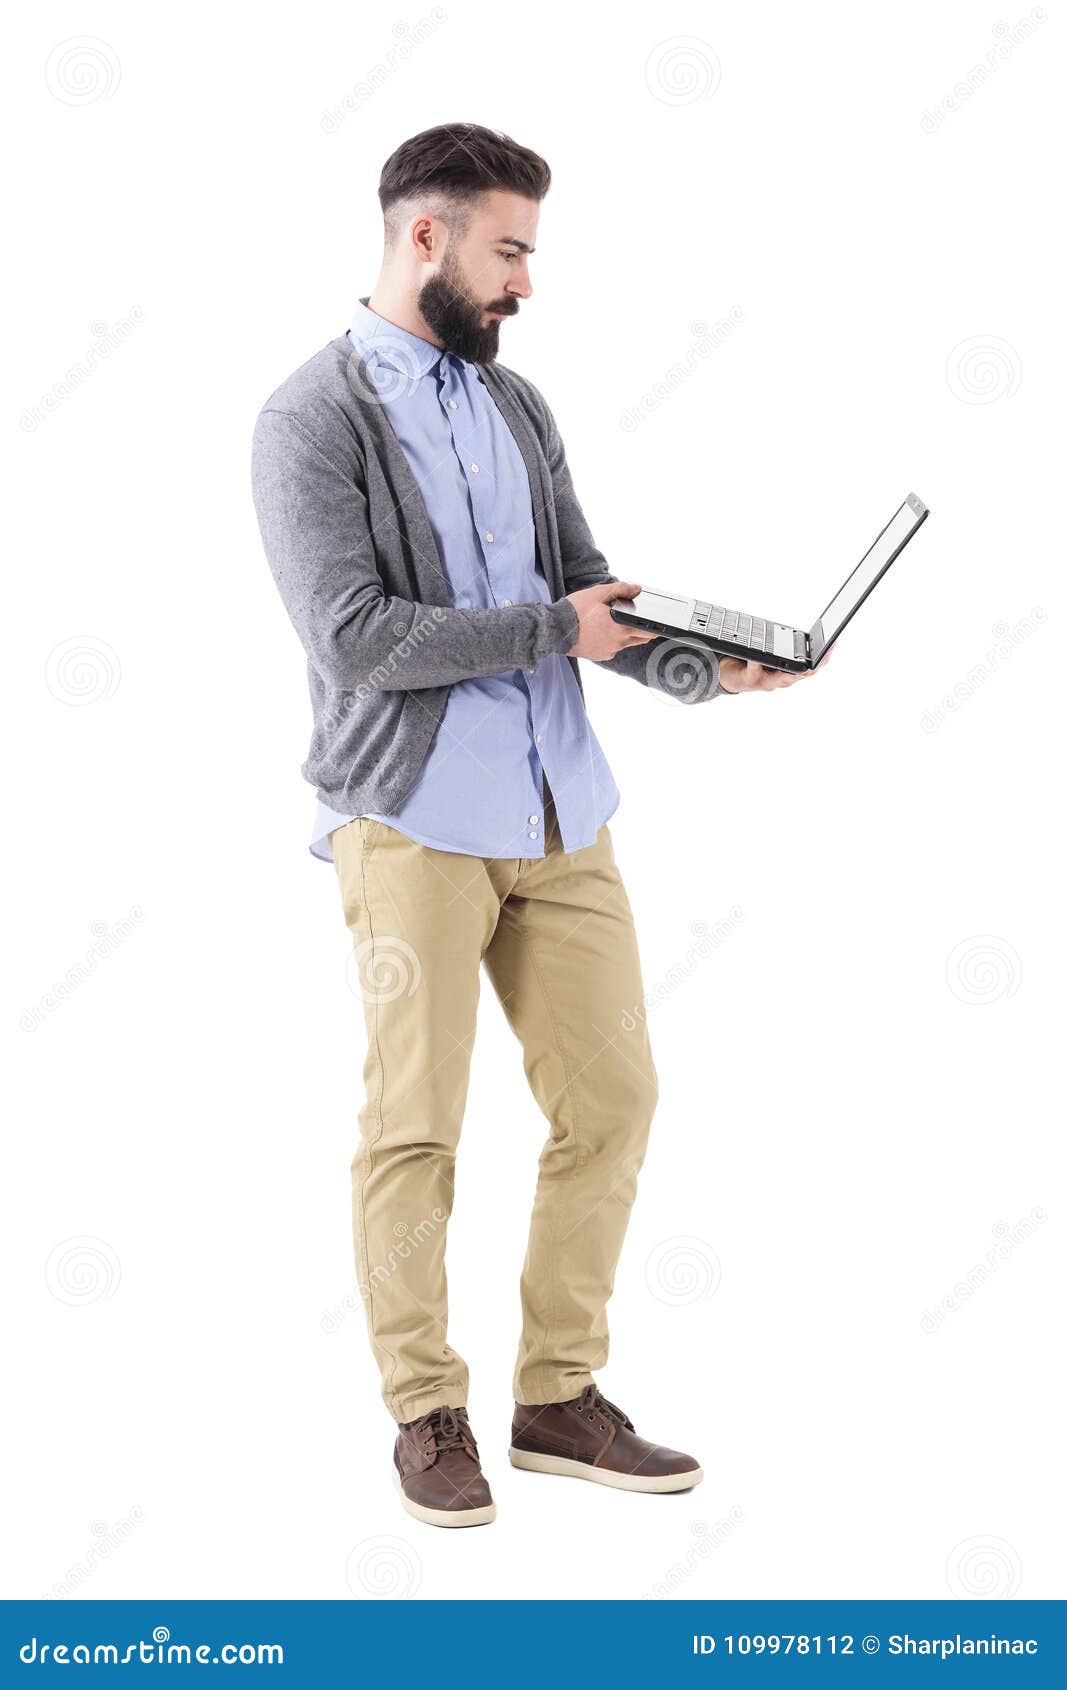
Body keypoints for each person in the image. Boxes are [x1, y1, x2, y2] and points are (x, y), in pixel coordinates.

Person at [251, 122, 822, 1529]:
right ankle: (425, 1407)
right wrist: (553, 626)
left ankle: (557, 1397)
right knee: (418, 1126)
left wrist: (701, 660)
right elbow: (358, 636)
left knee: (613, 1100)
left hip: (563, 810)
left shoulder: (519, 407)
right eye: (508, 250)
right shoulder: (308, 418)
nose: (524, 282)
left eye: (530, 253)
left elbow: (582, 593)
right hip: (412, 820)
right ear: (425, 239)